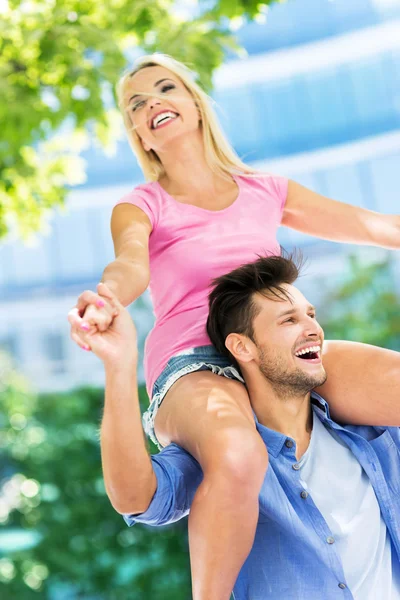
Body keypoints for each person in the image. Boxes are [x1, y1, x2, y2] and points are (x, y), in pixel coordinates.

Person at [68, 53, 400, 599]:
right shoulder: (141, 204)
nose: (151, 103)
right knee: (238, 453)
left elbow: (371, 225)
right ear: (139, 134)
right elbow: (130, 261)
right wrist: (108, 299)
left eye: (163, 88)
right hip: (195, 361)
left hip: (275, 343)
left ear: (195, 105)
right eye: (136, 103)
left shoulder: (265, 190)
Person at [72, 253, 400, 600]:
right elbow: (135, 497)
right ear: (242, 346)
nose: (313, 329)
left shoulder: (372, 434)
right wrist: (119, 366)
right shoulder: (222, 462)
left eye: (311, 315)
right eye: (289, 320)